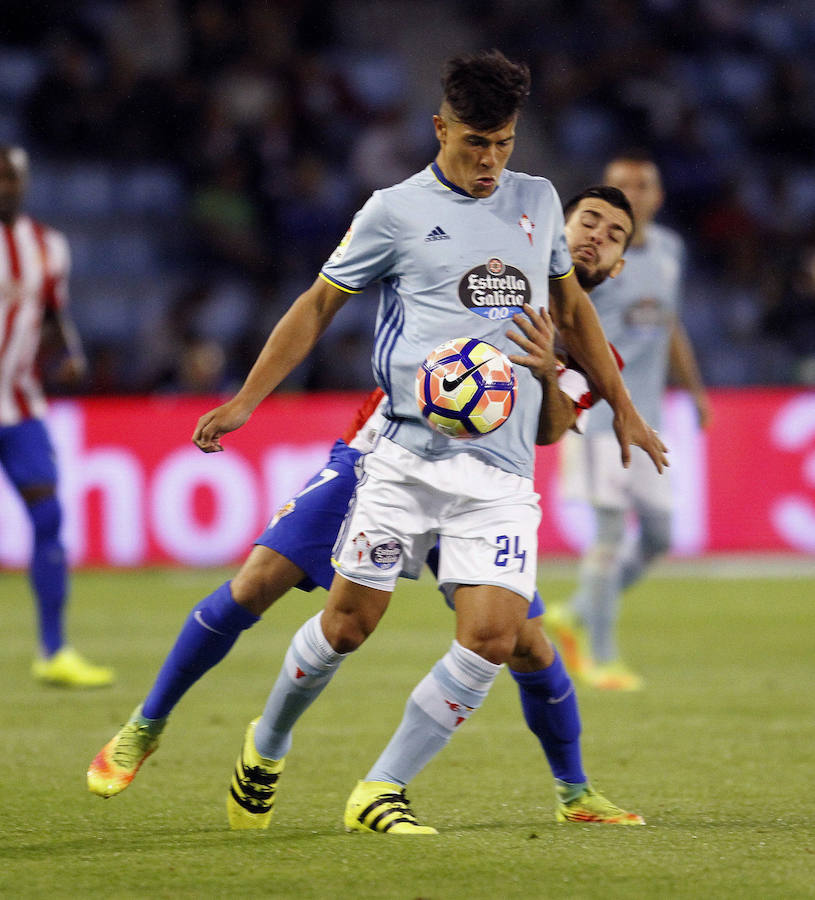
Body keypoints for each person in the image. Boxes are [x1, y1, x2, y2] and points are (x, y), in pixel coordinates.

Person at [90, 50, 666, 832]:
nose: (490, 161)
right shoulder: (394, 211)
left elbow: (556, 387)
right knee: (272, 588)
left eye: (502, 143)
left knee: (518, 643)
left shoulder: (538, 228)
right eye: (474, 143)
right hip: (384, 456)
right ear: (440, 129)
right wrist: (247, 399)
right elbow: (318, 304)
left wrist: (600, 397)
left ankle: (559, 791)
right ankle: (154, 726)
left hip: (490, 478)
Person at [552, 152, 709, 692]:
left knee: (660, 536)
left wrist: (696, 392)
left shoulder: (668, 250)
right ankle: (599, 657)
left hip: (650, 422)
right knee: (610, 537)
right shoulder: (592, 262)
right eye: (620, 186)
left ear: (657, 196)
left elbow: (669, 326)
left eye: (641, 185)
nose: (632, 194)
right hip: (598, 422)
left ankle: (575, 611)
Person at [0, 145, 114, 688]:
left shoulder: (47, 246)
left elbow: (51, 313)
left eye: (11, 177)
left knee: (48, 519)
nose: (5, 186)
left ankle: (53, 650)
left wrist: (67, 354)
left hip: (20, 405)